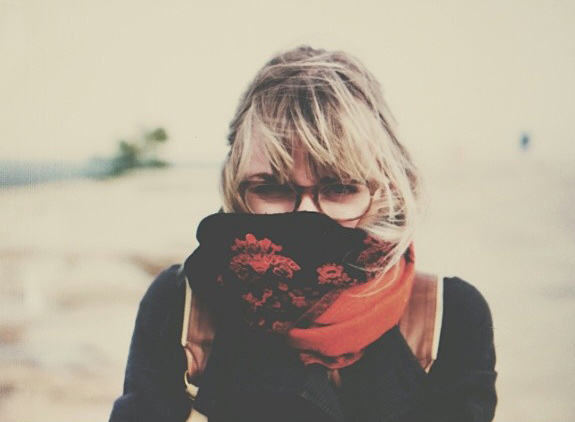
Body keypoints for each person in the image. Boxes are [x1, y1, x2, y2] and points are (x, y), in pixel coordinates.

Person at [109, 46, 497, 422]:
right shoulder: (181, 308)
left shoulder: (448, 318)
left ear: (385, 191)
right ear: (236, 189)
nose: (307, 216)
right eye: (272, 189)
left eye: (341, 188)